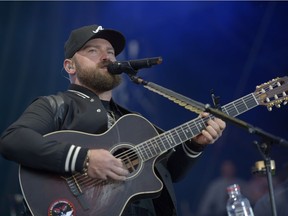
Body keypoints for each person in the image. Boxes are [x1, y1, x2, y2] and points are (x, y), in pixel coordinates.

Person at [0, 24, 226, 216]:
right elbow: (13, 140)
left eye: (110, 52)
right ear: (70, 66)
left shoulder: (133, 121)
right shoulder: (57, 104)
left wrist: (194, 144)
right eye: (92, 51)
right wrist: (85, 159)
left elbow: (169, 174)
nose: (107, 56)